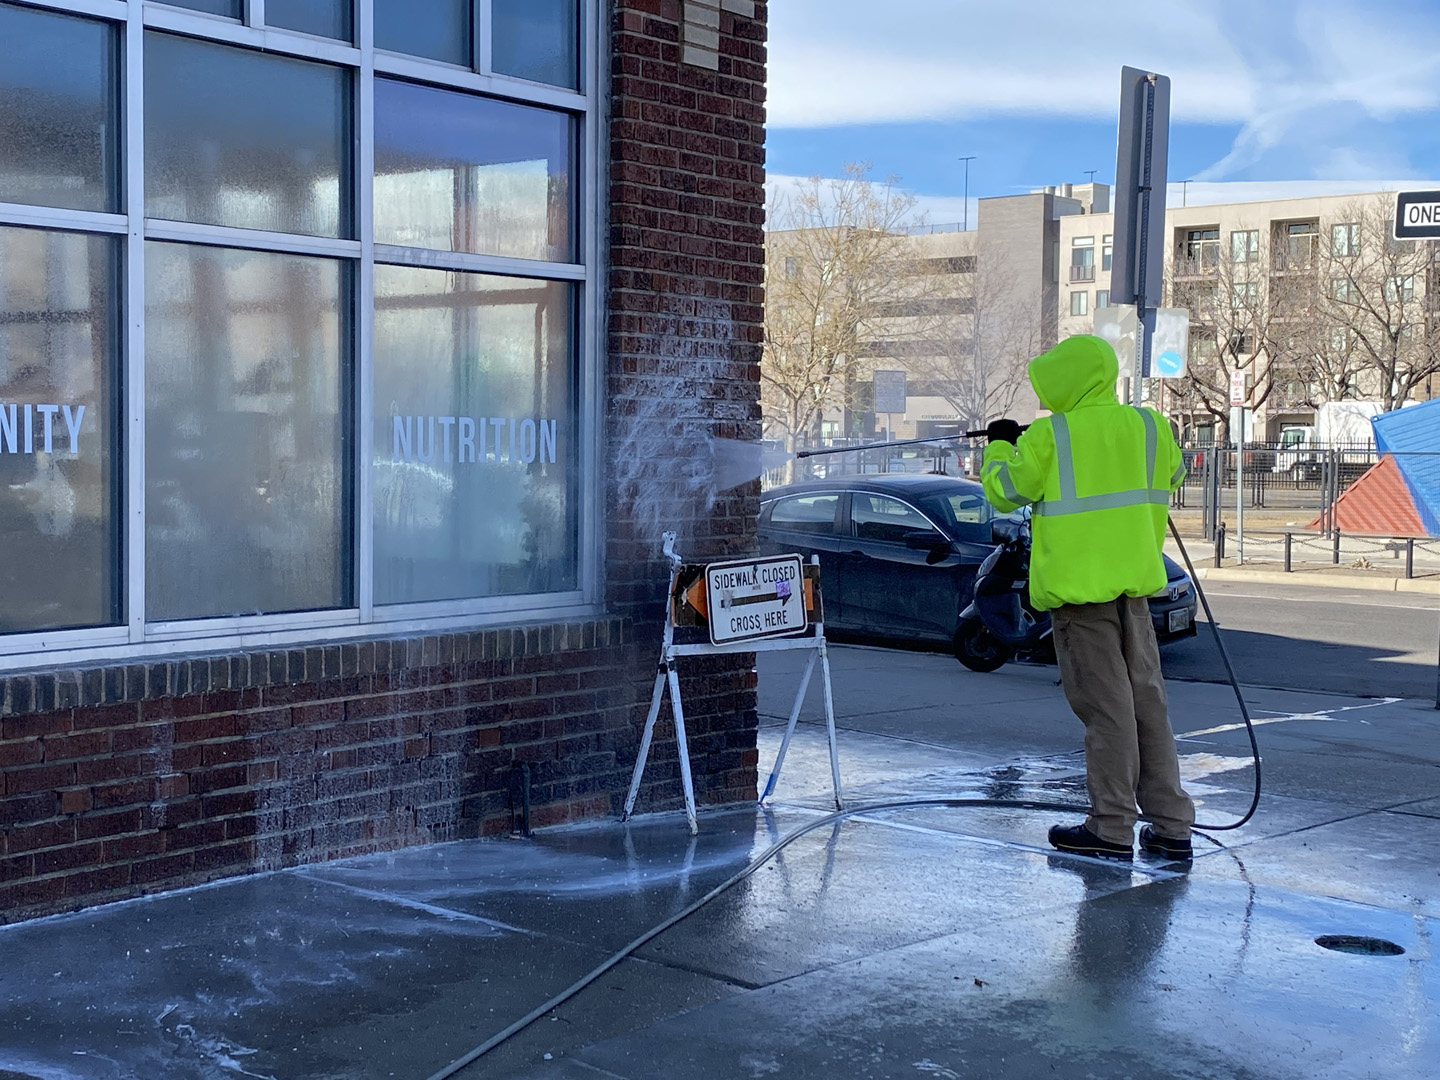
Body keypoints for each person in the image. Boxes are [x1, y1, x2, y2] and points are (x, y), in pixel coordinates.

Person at [980, 334, 1194, 862]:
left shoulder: (1051, 435)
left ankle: (1112, 827)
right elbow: (1176, 473)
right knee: (1148, 708)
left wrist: (1001, 443)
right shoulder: (1149, 426)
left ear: (1066, 383)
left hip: (1082, 601)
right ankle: (1171, 826)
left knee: (1108, 713)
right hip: (1137, 596)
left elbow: (1005, 490)